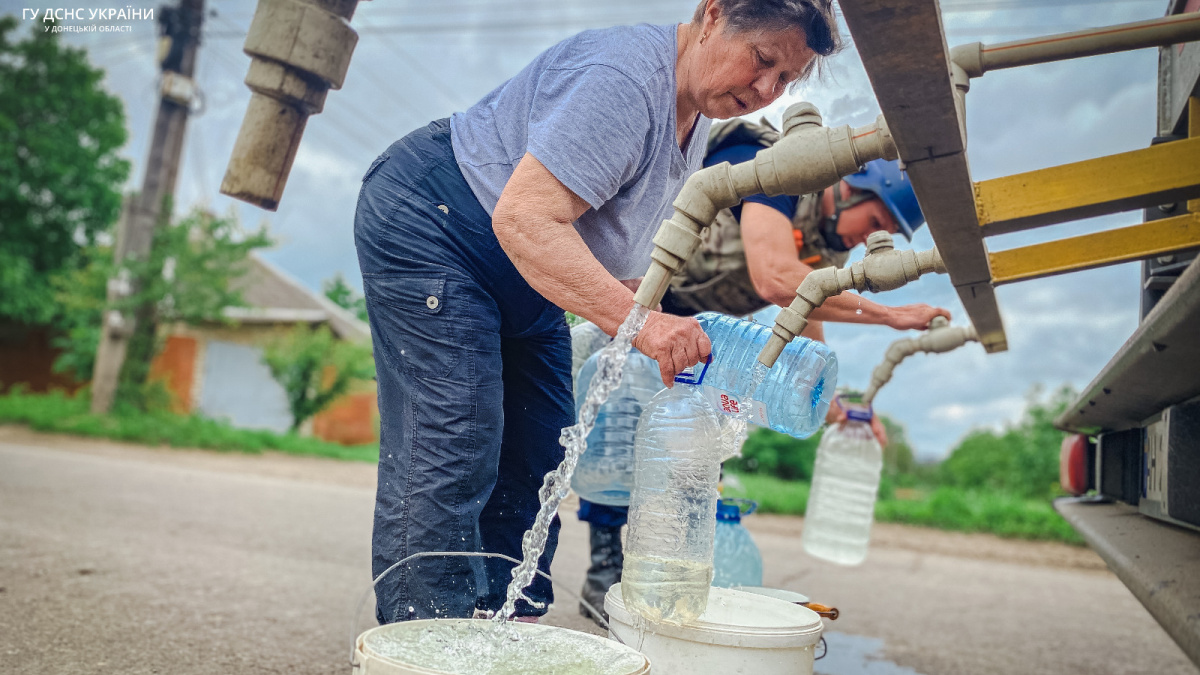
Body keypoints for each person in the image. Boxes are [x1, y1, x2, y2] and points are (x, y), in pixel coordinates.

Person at [355, 0, 841, 625]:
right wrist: (643, 324)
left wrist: (673, 349)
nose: (767, 91)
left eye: (786, 81)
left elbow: (626, 269)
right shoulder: (624, 80)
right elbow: (525, 216)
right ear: (713, 15)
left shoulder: (693, 122)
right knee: (457, 439)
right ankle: (423, 644)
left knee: (541, 455)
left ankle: (501, 635)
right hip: (439, 223)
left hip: (525, 266)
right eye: (764, 60)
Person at [574, 117, 951, 623]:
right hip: (632, 295)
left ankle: (659, 575)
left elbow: (803, 313)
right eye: (877, 223)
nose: (869, 241)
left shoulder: (825, 244)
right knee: (617, 431)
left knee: (688, 449)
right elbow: (774, 277)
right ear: (850, 186)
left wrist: (833, 404)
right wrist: (889, 315)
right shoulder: (777, 170)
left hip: (695, 329)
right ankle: (603, 571)